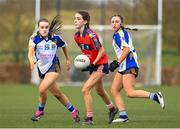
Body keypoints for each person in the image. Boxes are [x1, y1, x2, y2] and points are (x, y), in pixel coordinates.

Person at [109, 14, 165, 123]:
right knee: (114, 89)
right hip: (123, 65)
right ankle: (123, 116)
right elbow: (120, 51)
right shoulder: (116, 34)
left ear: (121, 24)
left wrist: (117, 62)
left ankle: (155, 96)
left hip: (130, 64)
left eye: (116, 21)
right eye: (112, 21)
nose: (114, 23)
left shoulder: (120, 34)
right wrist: (115, 62)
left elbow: (126, 50)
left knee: (129, 92)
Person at [28, 16, 80, 122]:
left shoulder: (55, 38)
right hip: (42, 68)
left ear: (48, 28)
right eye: (42, 27)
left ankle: (40, 110)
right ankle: (73, 110)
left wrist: (68, 60)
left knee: (42, 89)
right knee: (57, 94)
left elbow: (64, 46)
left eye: (46, 27)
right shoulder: (34, 38)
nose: (44, 29)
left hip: (54, 66)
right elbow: (30, 52)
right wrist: (31, 61)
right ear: (38, 28)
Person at [73, 11, 118, 125]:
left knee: (85, 89)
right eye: (75, 18)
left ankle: (89, 118)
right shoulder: (76, 36)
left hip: (101, 64)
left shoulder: (91, 35)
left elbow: (102, 51)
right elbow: (85, 52)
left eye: (78, 18)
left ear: (85, 21)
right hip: (93, 64)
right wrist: (85, 62)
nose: (75, 20)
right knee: (99, 90)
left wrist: (94, 63)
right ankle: (112, 109)